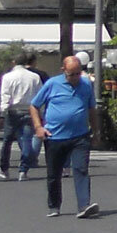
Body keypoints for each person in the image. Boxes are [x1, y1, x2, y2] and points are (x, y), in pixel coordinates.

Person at [31, 52, 99, 218]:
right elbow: (34, 105)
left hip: (80, 136)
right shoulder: (52, 84)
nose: (75, 77)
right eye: (71, 74)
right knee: (54, 174)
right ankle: (54, 205)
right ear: (63, 70)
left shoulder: (86, 85)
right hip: (55, 136)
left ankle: (84, 205)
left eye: (78, 73)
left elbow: (92, 109)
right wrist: (39, 127)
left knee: (81, 169)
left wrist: (96, 131)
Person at [0, 53, 42, 181]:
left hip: (13, 110)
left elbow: (5, 95)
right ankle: (23, 169)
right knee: (26, 139)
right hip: (29, 110)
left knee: (7, 140)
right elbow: (40, 94)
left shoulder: (8, 77)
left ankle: (4, 168)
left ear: (14, 62)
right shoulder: (35, 77)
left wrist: (2, 112)